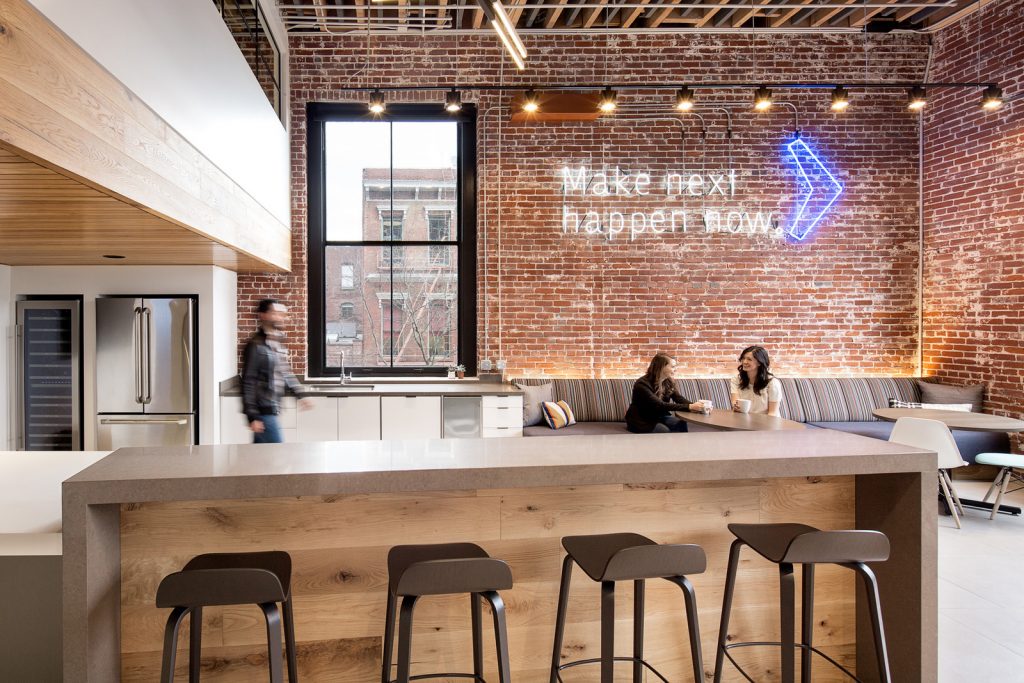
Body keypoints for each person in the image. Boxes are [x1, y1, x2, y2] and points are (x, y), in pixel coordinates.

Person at [241, 298, 311, 443]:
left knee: (263, 457)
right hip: (263, 412)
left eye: (283, 314)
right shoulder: (255, 345)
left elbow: (284, 373)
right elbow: (248, 381)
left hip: (272, 408)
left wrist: (300, 394)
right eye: (276, 313)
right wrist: (252, 416)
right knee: (278, 457)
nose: (281, 317)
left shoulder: (277, 342)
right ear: (263, 315)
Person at [625, 353, 707, 433]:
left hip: (659, 416)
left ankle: (681, 446)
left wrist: (697, 407)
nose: (675, 369)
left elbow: (678, 398)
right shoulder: (642, 384)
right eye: (673, 367)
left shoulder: (668, 381)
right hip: (640, 420)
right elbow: (660, 405)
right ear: (661, 367)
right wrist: (690, 407)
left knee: (680, 424)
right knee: (664, 430)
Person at [730, 345, 782, 416]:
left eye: (749, 359)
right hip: (745, 423)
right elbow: (734, 404)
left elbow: (773, 413)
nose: (744, 362)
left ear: (759, 363)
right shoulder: (736, 379)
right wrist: (736, 407)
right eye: (743, 358)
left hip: (767, 423)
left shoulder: (772, 383)